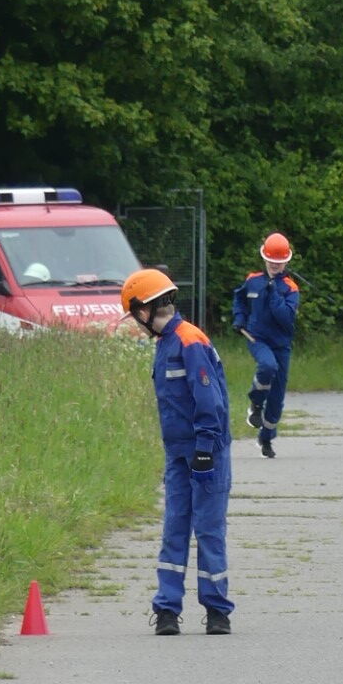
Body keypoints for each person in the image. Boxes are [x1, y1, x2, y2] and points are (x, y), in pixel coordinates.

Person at [121, 268, 234, 635]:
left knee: (208, 530)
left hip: (206, 453)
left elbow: (209, 400)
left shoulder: (189, 341)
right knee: (174, 528)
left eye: (134, 316)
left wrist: (204, 449)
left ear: (144, 309)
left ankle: (217, 611)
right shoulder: (165, 343)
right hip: (178, 454)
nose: (136, 324)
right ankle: (167, 609)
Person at [232, 233, 300, 459]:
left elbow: (285, 319)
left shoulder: (290, 289)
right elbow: (239, 299)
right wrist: (239, 318)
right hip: (257, 339)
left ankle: (266, 437)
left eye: (279, 261)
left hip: (281, 345)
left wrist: (274, 295)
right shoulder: (253, 280)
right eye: (271, 260)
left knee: (277, 397)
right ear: (264, 258)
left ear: (286, 261)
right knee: (267, 366)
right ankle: (255, 404)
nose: (274, 264)